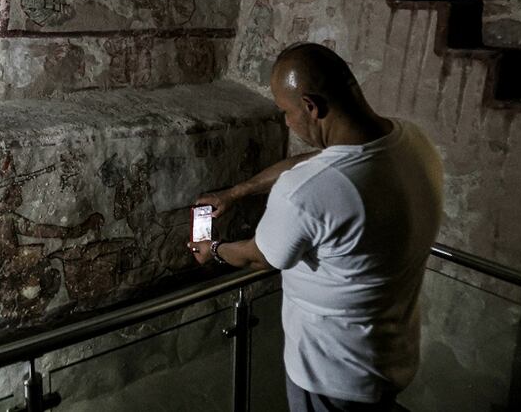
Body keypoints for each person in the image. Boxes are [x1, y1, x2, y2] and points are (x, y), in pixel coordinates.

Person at [188, 42, 443, 411]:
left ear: (311, 106)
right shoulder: (413, 142)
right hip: (390, 359)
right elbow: (323, 161)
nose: (287, 123)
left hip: (331, 375)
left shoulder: (305, 192)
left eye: (286, 113)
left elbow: (260, 256)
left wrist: (213, 250)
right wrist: (236, 192)